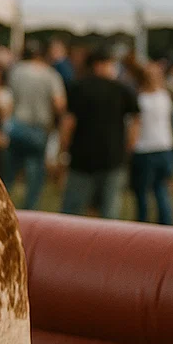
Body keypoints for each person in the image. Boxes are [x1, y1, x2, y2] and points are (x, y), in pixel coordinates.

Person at [59, 47, 139, 219]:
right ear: (100, 65)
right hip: (113, 157)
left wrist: (63, 150)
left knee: (72, 211)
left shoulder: (77, 87)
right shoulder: (122, 89)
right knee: (109, 211)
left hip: (82, 157)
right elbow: (135, 119)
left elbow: (68, 123)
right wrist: (130, 145)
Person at [5, 39, 66, 210]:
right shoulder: (51, 75)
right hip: (39, 129)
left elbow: (9, 99)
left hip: (16, 125)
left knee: (9, 174)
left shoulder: (16, 71)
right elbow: (59, 104)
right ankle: (28, 211)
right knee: (35, 178)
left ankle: (0, 207)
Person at [129, 61, 173, 225]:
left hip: (145, 148)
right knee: (161, 190)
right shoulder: (165, 97)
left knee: (142, 192)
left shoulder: (140, 99)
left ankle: (142, 225)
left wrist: (129, 148)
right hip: (164, 147)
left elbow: (135, 125)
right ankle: (167, 226)